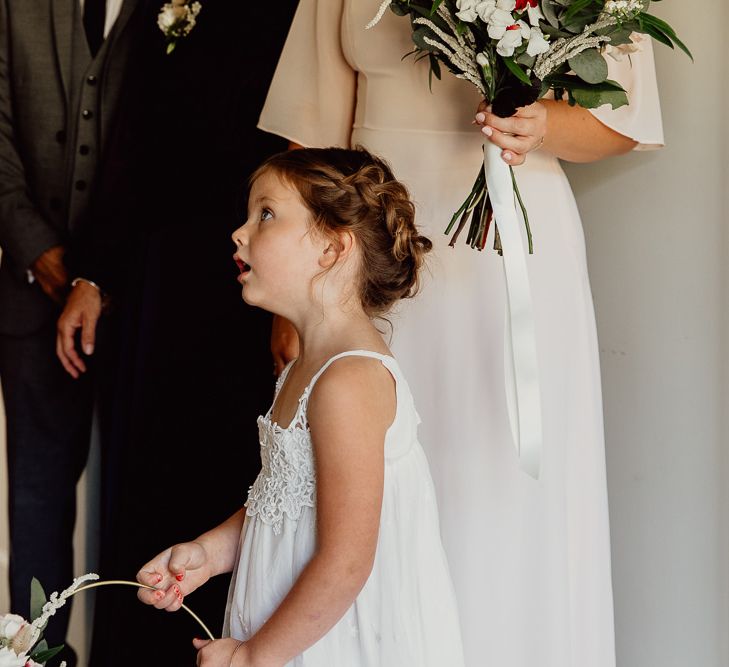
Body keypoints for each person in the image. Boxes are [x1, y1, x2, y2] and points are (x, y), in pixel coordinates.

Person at [257, 2, 665, 666]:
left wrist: (539, 124)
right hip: (369, 245)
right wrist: (293, 295)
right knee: (364, 475)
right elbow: (312, 133)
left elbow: (621, 121)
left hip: (512, 254)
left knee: (498, 482)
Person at [135, 147, 465, 667]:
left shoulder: (348, 381)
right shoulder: (300, 369)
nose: (239, 233)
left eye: (265, 214)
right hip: (284, 627)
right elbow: (285, 500)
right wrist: (209, 553)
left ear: (333, 248)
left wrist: (251, 658)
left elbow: (347, 560)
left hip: (334, 640)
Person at [53, 2, 299, 664]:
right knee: (142, 495)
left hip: (255, 288)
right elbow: (130, 141)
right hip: (158, 288)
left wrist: (292, 302)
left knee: (231, 480)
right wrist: (95, 277)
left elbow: (310, 147)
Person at [0, 1, 141, 663]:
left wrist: (106, 272)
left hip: (147, 295)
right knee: (35, 503)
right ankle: (38, 658)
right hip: (32, 293)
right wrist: (39, 251)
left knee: (140, 496)